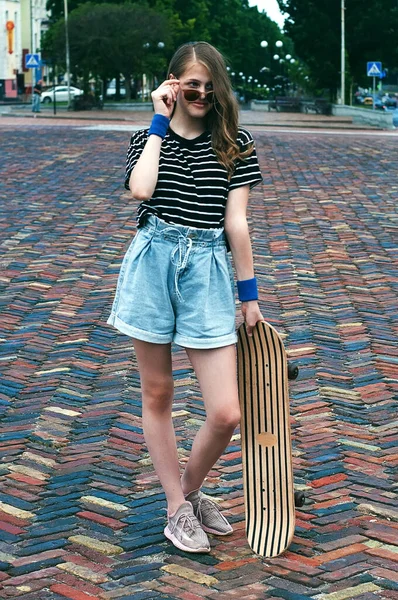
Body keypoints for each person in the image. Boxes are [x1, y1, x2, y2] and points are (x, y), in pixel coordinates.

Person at [107, 41, 264, 553]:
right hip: (153, 262)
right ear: (172, 84)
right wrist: (158, 121)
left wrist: (249, 296)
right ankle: (176, 508)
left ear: (219, 86)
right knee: (159, 394)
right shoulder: (146, 138)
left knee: (225, 413)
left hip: (209, 269)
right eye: (189, 83)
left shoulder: (235, 142)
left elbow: (236, 223)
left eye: (208, 83)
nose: (201, 92)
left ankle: (189, 492)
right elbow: (141, 190)